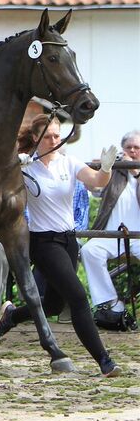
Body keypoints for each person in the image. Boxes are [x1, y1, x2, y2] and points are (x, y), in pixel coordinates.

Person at [0, 115, 121, 377]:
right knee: (78, 298)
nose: (53, 140)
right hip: (43, 242)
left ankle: (12, 316)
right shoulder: (26, 167)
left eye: (56, 135)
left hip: (68, 240)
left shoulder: (69, 163)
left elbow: (97, 181)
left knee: (51, 306)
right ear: (37, 140)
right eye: (48, 136)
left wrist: (106, 169)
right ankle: (104, 361)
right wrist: (15, 167)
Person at [81, 129, 140, 330]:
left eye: (137, 148)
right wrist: (104, 168)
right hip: (111, 234)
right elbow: (95, 189)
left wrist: (136, 172)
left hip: (139, 237)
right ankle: (113, 304)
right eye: (128, 147)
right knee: (89, 250)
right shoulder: (114, 171)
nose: (132, 151)